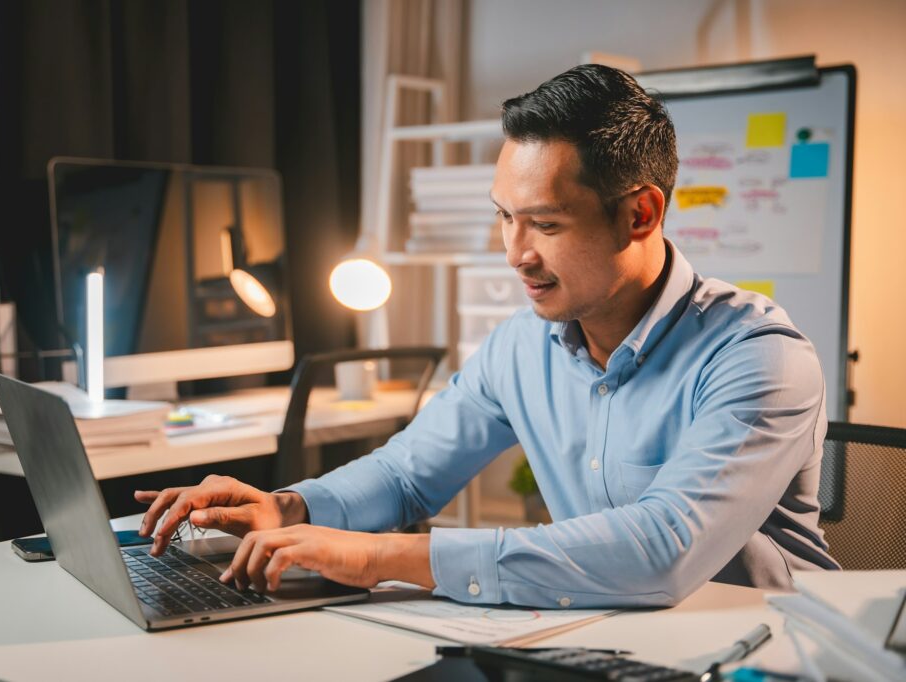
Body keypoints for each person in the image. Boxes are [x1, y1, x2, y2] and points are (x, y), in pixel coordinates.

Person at [136, 64, 838, 609]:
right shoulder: (522, 347)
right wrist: (288, 507)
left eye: (547, 224)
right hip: (604, 641)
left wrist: (375, 558)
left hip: (764, 649)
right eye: (506, 216)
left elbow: (662, 549)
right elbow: (407, 473)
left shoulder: (758, 357)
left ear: (641, 214)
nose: (516, 253)